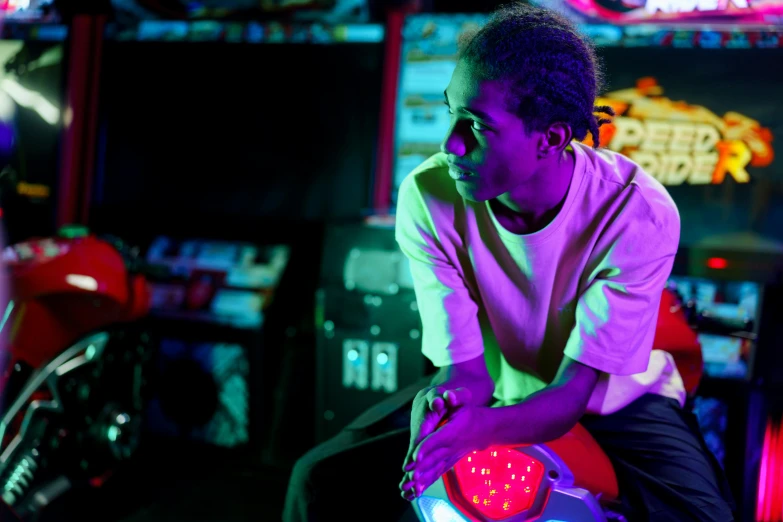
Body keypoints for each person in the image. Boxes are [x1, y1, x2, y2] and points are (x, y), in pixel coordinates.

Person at [283, 3, 736, 521]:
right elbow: (466, 371)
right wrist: (440, 403)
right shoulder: (429, 196)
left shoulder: (637, 213)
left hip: (615, 402)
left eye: (476, 125)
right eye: (453, 112)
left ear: (551, 138)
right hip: (498, 386)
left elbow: (571, 395)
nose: (450, 144)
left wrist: (479, 428)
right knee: (317, 481)